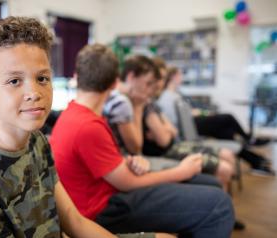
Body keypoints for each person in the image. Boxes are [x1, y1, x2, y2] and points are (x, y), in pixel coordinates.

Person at [0, 16, 158, 238]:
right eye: (14, 81)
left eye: (42, 78)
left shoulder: (36, 140)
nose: (35, 93)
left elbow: (73, 219)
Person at [50, 43, 235, 237]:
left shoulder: (74, 114)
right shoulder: (87, 125)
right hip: (104, 210)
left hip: (105, 197)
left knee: (209, 187)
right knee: (219, 206)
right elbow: (126, 182)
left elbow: (113, 164)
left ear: (76, 76)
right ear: (115, 83)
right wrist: (180, 172)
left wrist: (130, 162)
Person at [104, 55, 234, 191]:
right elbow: (144, 145)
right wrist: (139, 109)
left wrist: (164, 128)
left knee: (224, 159)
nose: (158, 84)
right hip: (157, 154)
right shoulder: (128, 102)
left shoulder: (141, 102)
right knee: (222, 169)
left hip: (159, 152)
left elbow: (172, 131)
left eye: (161, 79)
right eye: (150, 82)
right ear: (131, 77)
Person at [157, 66, 275, 176]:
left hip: (194, 122)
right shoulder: (167, 97)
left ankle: (256, 161)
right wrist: (198, 113)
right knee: (227, 118)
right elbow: (178, 121)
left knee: (227, 134)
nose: (181, 78)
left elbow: (188, 111)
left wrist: (200, 112)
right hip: (192, 126)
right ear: (173, 77)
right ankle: (249, 139)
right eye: (179, 75)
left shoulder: (177, 93)